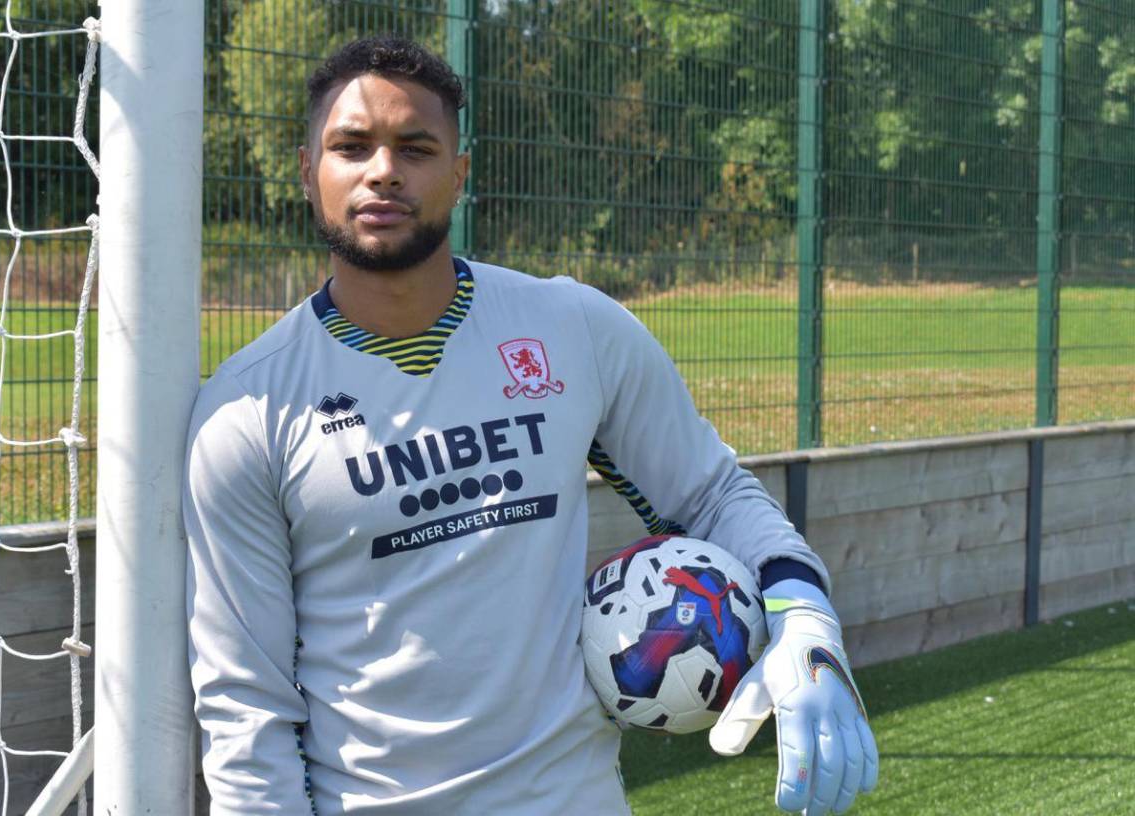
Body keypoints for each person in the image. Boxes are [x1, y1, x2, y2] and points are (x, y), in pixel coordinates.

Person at [184, 36, 878, 816]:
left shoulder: (572, 328)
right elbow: (247, 703)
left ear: (459, 173)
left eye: (416, 148)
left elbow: (711, 496)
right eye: (352, 147)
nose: (383, 170)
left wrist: (803, 613)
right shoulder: (248, 411)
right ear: (308, 168)